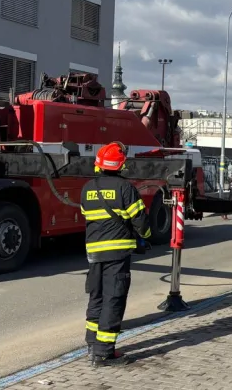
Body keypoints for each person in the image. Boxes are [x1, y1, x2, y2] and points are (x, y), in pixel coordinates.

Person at [81, 142, 151, 367]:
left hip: (93, 251)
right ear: (121, 165)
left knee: (97, 295)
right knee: (114, 298)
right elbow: (140, 220)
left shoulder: (87, 188)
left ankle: (92, 343)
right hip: (117, 252)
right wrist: (146, 235)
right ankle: (104, 353)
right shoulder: (125, 188)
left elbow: (86, 214)